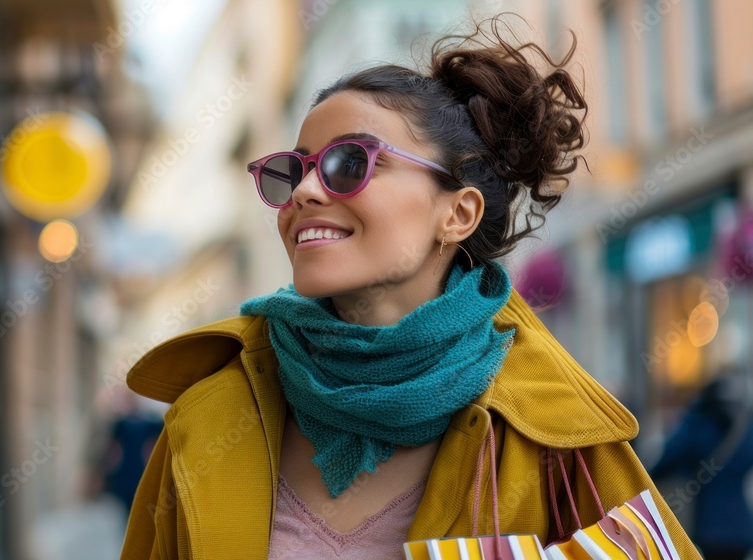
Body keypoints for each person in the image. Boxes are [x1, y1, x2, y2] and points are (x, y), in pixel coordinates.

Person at [119, 15, 700, 559]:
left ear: (458, 214)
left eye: (349, 164)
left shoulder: (557, 438)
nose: (304, 192)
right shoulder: (206, 416)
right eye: (292, 170)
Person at [649, 368, 753, 560]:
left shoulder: (699, 423)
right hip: (741, 529)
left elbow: (669, 455)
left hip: (709, 528)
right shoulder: (745, 426)